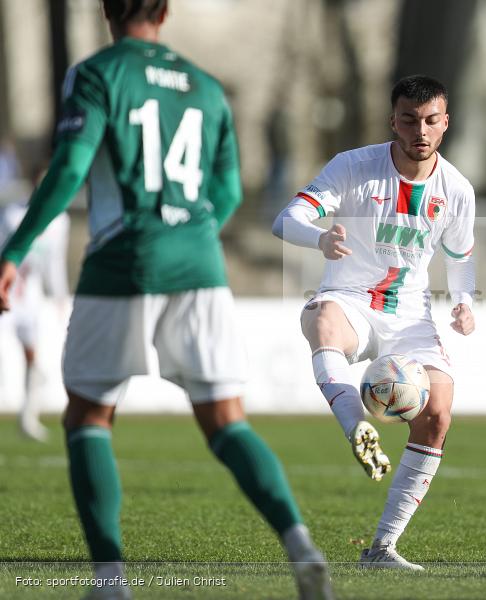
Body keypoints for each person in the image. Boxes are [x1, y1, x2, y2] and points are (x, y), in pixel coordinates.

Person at [0, 2, 333, 599]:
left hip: (123, 260)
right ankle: (299, 543)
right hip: (199, 264)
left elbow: (73, 164)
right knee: (226, 421)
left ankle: (110, 582)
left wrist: (15, 250)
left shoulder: (97, 73)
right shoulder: (206, 88)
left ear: (106, 9)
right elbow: (227, 189)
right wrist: (193, 235)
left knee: (88, 415)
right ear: (167, 10)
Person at [273, 75, 476, 570]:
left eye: (431, 120)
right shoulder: (354, 167)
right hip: (350, 299)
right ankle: (355, 427)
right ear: (393, 121)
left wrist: (465, 300)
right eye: (409, 119)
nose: (420, 130)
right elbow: (286, 218)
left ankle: (382, 549)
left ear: (445, 123)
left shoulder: (457, 190)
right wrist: (317, 238)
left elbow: (460, 256)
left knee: (439, 415)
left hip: (410, 315)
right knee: (324, 322)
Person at [0, 165, 70, 442]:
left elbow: (55, 263)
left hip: (30, 297)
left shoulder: (60, 222)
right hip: (8, 291)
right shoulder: (13, 215)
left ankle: (28, 416)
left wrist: (60, 294)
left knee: (34, 358)